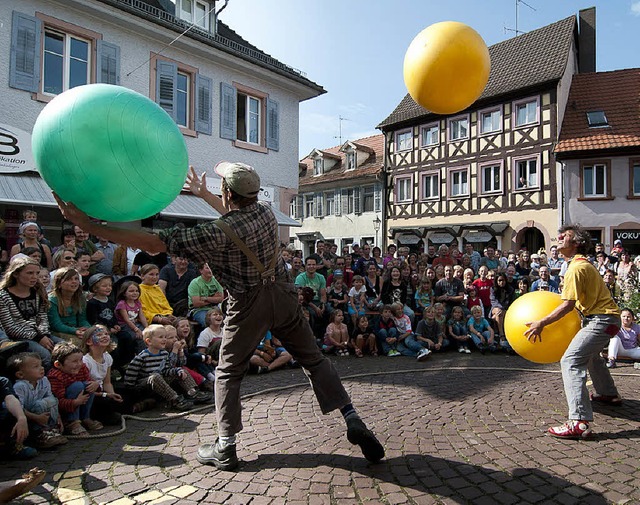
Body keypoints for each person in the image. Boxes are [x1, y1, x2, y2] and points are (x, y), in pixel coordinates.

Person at [54, 162, 384, 471]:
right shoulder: (267, 213)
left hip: (247, 303)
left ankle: (225, 445)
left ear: (228, 192)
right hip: (282, 295)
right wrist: (205, 195)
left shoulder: (215, 232)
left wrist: (88, 224)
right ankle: (351, 416)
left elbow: (153, 241)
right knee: (313, 359)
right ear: (253, 193)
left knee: (227, 372)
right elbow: (236, 221)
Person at [524, 224, 622, 439]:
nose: (558, 237)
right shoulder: (579, 265)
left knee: (570, 360)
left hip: (601, 319)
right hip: (606, 318)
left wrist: (542, 322)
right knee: (591, 357)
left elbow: (567, 305)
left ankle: (578, 421)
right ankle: (608, 394)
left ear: (576, 243)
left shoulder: (576, 268)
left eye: (565, 236)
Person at [123, 324, 208, 411]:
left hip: (160, 383)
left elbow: (166, 370)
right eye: (161, 337)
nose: (164, 339)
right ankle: (174, 399)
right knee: (155, 376)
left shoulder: (164, 354)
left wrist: (177, 371)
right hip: (145, 387)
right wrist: (133, 394)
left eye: (165, 337)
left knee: (181, 370)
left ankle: (192, 392)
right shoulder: (141, 357)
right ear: (149, 341)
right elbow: (130, 377)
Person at [0, 257, 63, 370]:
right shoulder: (3, 296)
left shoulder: (37, 292)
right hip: (19, 338)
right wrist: (38, 337)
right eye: (30, 273)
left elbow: (42, 317)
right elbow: (10, 327)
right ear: (15, 274)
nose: (34, 277)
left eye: (37, 273)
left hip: (40, 334)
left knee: (66, 349)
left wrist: (44, 334)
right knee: (45, 356)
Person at [7, 352, 68, 449]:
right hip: (31, 417)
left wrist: (58, 417)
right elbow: (20, 408)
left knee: (52, 399)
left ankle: (52, 429)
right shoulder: (20, 387)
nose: (42, 368)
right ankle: (40, 435)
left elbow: (51, 397)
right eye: (36, 366)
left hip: (44, 414)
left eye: (41, 365)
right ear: (20, 374)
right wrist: (36, 417)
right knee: (40, 403)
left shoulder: (44, 380)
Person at [47, 341, 103, 437]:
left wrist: (96, 385)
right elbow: (57, 401)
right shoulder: (55, 377)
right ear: (58, 364)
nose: (79, 364)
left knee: (88, 385)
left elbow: (89, 381)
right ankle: (72, 422)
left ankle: (85, 417)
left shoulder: (82, 367)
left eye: (81, 360)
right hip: (66, 407)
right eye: (74, 361)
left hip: (80, 401)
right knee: (77, 386)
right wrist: (75, 402)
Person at [81, 325, 124, 425]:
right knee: (106, 403)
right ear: (88, 342)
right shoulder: (85, 361)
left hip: (103, 391)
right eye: (99, 335)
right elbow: (88, 390)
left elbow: (107, 382)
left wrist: (113, 395)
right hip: (93, 395)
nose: (104, 336)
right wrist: (107, 395)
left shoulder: (107, 357)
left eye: (106, 334)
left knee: (123, 393)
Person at [48, 267, 90, 347]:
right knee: (81, 344)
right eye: (69, 279)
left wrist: (87, 328)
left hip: (77, 329)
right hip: (58, 332)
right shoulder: (52, 300)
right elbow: (56, 325)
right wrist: (75, 331)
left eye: (76, 279)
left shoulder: (80, 298)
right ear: (59, 284)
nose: (74, 282)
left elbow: (82, 320)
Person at [0, 375, 34, 459]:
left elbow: (10, 398)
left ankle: (12, 446)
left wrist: (21, 418)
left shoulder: (2, 381)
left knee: (13, 409)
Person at [114, 280, 148, 360]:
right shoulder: (122, 304)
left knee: (148, 335)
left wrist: (147, 328)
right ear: (124, 293)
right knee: (139, 337)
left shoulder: (137, 302)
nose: (135, 293)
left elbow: (141, 316)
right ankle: (141, 358)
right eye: (131, 291)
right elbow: (127, 320)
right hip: (125, 326)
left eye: (136, 291)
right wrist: (137, 330)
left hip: (135, 324)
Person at [187, 262, 224, 327]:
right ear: (201, 270)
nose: (210, 270)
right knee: (210, 323)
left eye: (211, 268)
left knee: (227, 322)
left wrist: (206, 298)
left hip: (216, 309)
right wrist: (213, 298)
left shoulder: (217, 280)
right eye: (207, 268)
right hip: (199, 310)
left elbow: (221, 299)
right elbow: (196, 303)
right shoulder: (195, 283)